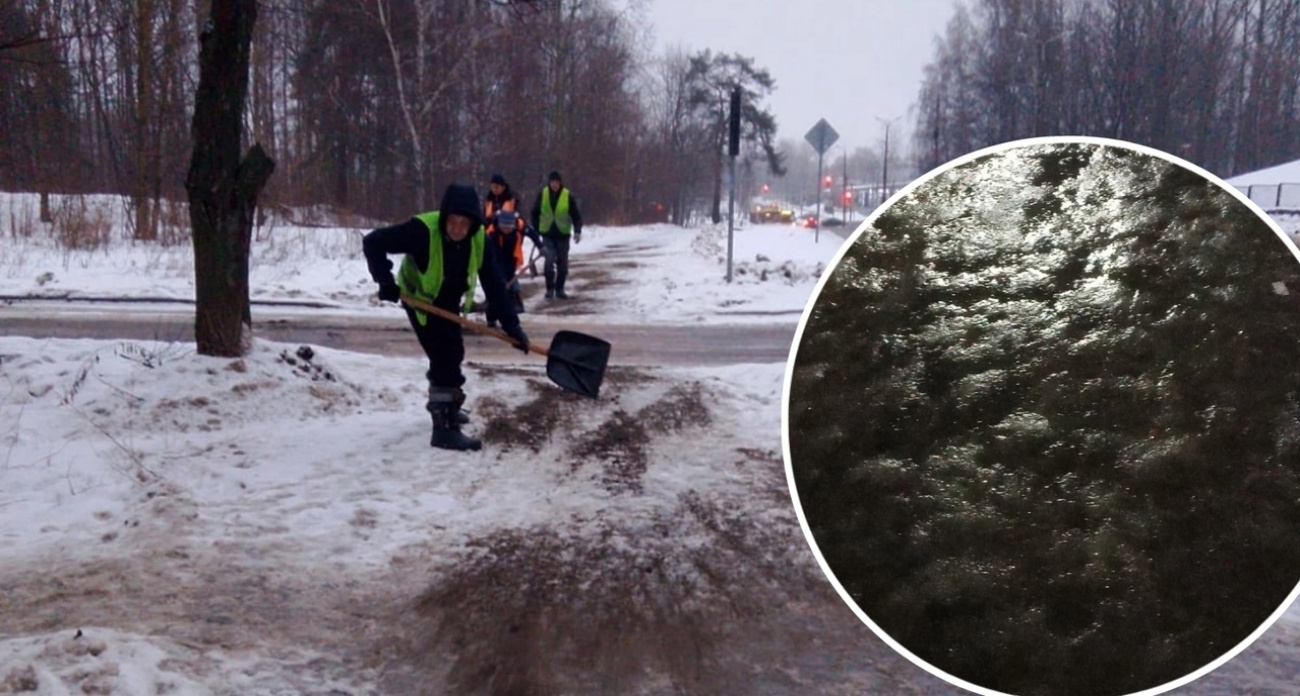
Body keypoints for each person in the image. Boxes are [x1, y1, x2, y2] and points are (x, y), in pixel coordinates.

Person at [362, 183, 529, 452]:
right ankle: (443, 427)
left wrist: (514, 328)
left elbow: (495, 285)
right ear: (444, 218)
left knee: (453, 350)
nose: (457, 229)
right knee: (444, 357)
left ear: (473, 224)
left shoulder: (479, 240)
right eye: (452, 222)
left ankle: (447, 404)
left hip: (448, 300)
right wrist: (386, 282)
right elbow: (373, 242)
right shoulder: (422, 231)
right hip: (420, 299)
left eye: (464, 224)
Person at [482, 174, 534, 324]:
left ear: (503, 187)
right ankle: (492, 312)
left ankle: (514, 303)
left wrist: (505, 218)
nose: (494, 189)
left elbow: (520, 217)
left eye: (497, 187)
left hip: (511, 240)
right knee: (495, 273)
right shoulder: (489, 200)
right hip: (493, 240)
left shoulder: (512, 199)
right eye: (492, 187)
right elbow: (484, 218)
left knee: (508, 272)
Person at [530, 170, 583, 300]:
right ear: (549, 182)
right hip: (547, 235)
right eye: (552, 182)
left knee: (562, 265)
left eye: (557, 182)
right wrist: (536, 228)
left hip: (563, 235)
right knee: (549, 262)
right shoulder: (543, 194)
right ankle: (549, 289)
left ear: (560, 183)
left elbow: (576, 214)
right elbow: (534, 212)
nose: (554, 184)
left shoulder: (567, 195)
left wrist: (577, 230)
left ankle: (560, 289)